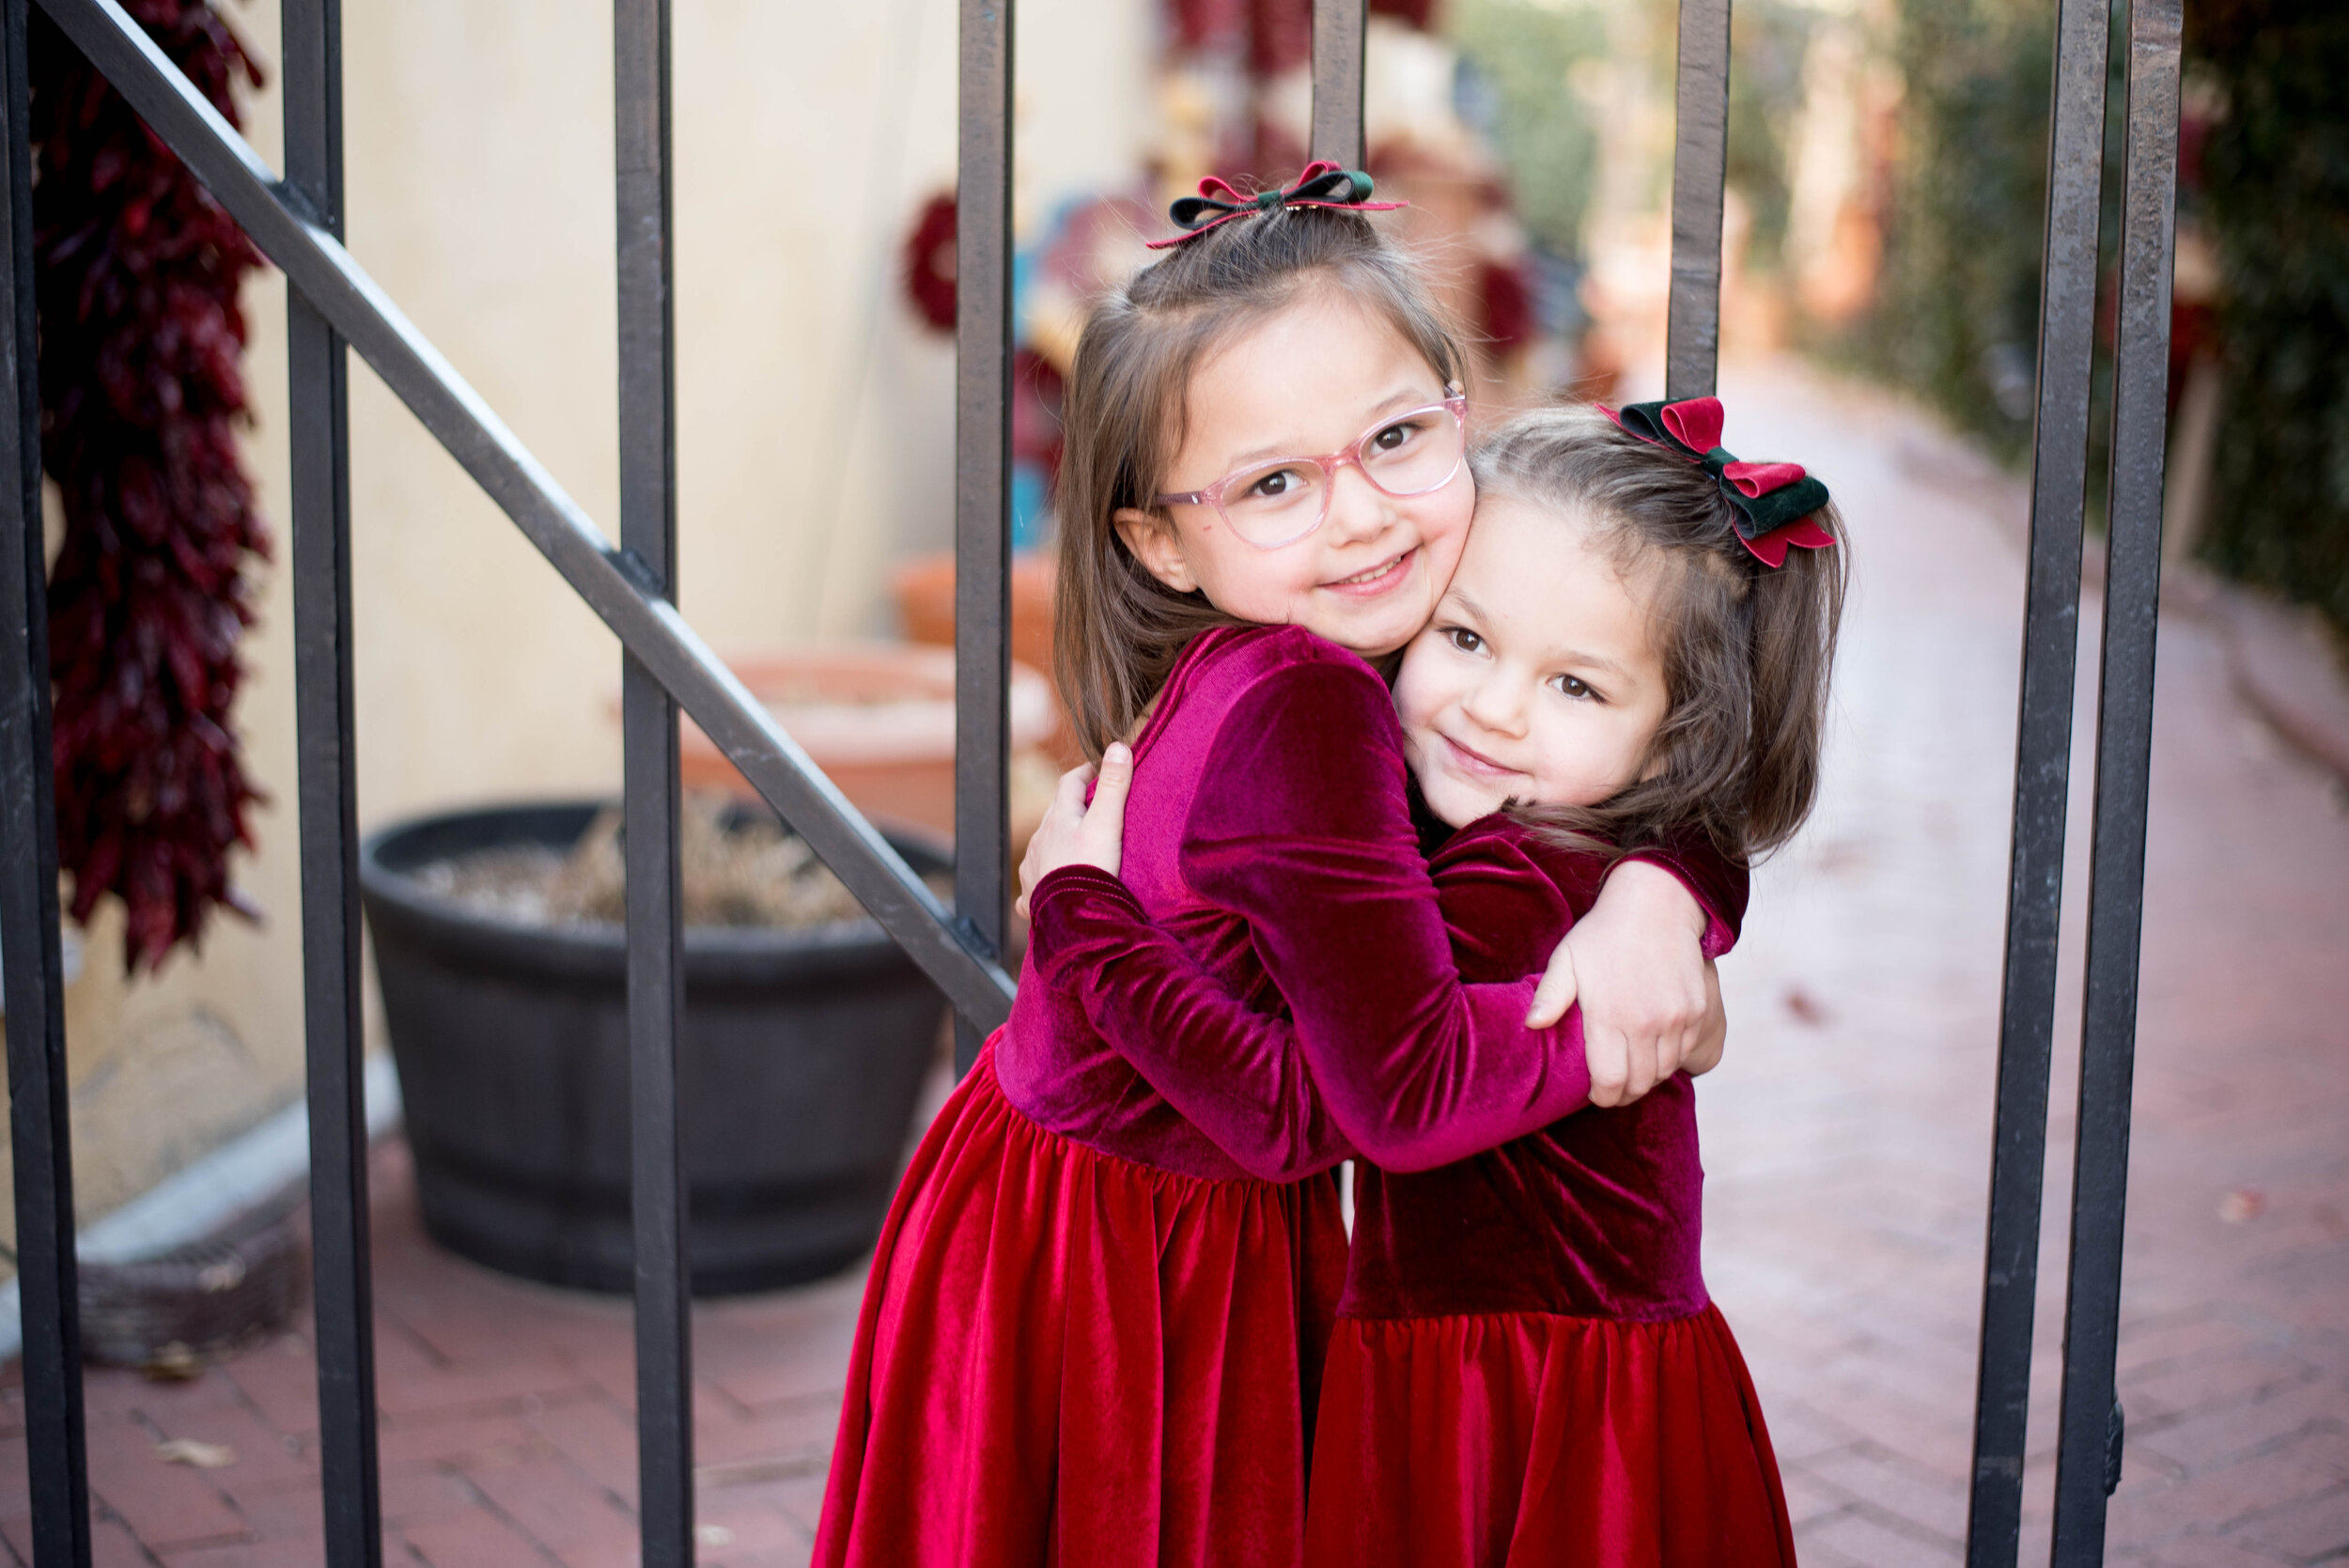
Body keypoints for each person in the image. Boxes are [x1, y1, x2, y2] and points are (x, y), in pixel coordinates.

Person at [813, 169, 1734, 1568]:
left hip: (1055, 1205)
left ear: (1457, 408)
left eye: (1394, 437)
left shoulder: (1345, 643)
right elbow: (1335, 1108)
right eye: (1277, 483)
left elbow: (1641, 700)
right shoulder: (1311, 703)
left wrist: (1671, 888)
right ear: (1160, 541)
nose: (1360, 516)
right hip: (1136, 1260)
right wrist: (1595, 1028)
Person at [1020, 397, 1845, 1566]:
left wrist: (1084, 921)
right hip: (1515, 1366)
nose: (1493, 709)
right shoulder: (1501, 815)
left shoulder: (1523, 878)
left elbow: (1298, 1105)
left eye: (1576, 687)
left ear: (1672, 745)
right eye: (1464, 639)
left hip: (1523, 1398)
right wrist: (1677, 887)